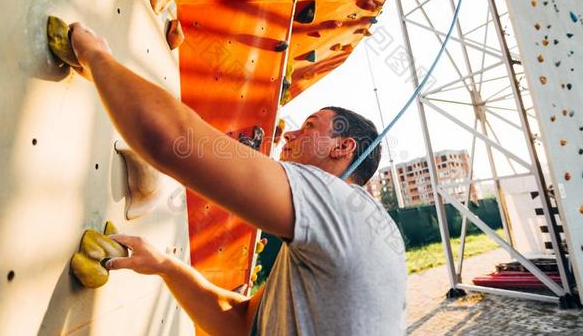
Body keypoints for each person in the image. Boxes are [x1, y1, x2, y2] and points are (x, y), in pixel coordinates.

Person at [69, 22, 407, 335]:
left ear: (343, 147)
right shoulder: (347, 230)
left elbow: (173, 139)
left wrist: (96, 57)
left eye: (309, 126)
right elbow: (241, 325)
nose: (288, 136)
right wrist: (167, 267)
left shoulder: (339, 203)